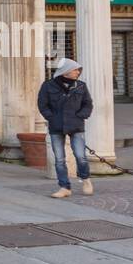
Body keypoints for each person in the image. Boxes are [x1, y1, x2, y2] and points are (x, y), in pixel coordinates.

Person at [38, 57, 94, 198]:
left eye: (78, 69)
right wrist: (51, 117)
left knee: (81, 156)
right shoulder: (48, 86)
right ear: (65, 72)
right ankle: (64, 187)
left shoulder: (81, 85)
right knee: (59, 159)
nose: (78, 72)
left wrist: (81, 115)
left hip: (76, 125)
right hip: (56, 126)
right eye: (75, 69)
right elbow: (42, 105)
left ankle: (86, 180)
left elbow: (88, 104)